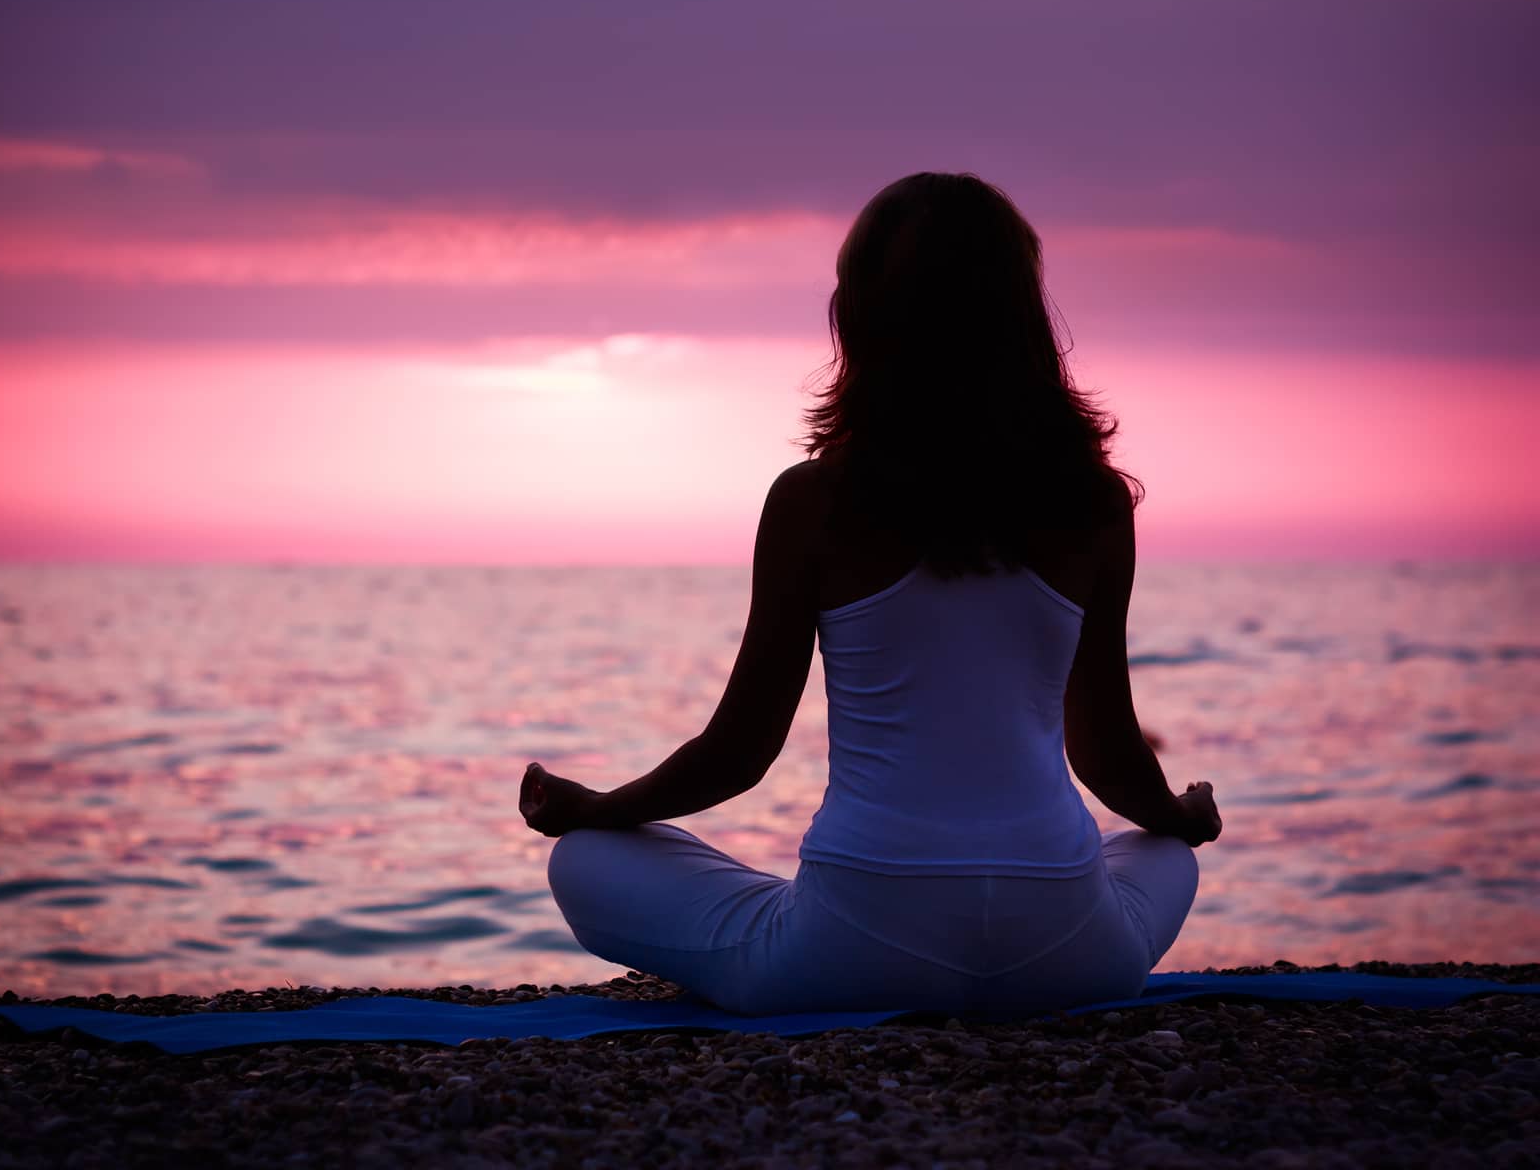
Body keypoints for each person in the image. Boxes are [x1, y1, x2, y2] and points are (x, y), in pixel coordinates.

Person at [519, 171, 1221, 1018]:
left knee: (584, 861)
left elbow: (740, 753)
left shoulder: (812, 500)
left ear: (860, 317)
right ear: (1022, 319)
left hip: (853, 951)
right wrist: (1178, 819)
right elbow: (1109, 758)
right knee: (1163, 855)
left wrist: (600, 808)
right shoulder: (1095, 503)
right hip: (1069, 953)